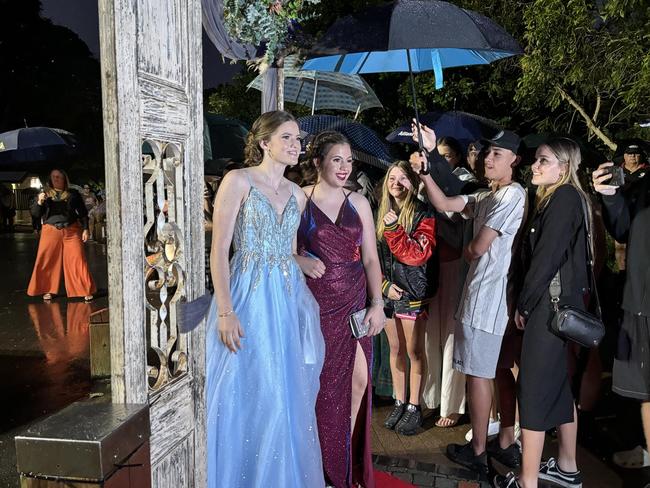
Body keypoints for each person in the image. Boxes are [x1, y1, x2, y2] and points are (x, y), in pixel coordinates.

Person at [205, 110, 326, 488]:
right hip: (247, 293)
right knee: (244, 387)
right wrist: (226, 311)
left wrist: (301, 260)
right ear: (264, 143)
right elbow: (219, 249)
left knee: (283, 391)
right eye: (287, 138)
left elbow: (288, 248)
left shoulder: (296, 194)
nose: (296, 145)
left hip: (287, 297)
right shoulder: (238, 180)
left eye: (298, 139)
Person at [412, 126, 526, 476]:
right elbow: (445, 203)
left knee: (479, 376)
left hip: (488, 302)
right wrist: (426, 170)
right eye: (487, 152)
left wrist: (468, 250)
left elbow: (477, 248)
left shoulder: (512, 195)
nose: (489, 159)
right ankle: (505, 442)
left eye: (498, 155)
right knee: (497, 372)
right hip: (482, 298)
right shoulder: (487, 195)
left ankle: (478, 450)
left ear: (515, 161)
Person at [495, 138, 592, 488]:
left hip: (549, 310)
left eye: (543, 161)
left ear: (563, 167)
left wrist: (523, 303)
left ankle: (527, 481)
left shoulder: (564, 198)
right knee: (559, 388)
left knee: (533, 391)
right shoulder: (558, 197)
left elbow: (546, 259)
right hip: (557, 307)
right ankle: (567, 467)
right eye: (536, 160)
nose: (534, 166)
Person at [297, 130, 385, 488]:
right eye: (337, 159)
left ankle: (341, 463)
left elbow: (371, 259)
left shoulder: (359, 202)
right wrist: (298, 259)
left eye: (349, 160)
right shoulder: (299, 199)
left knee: (360, 381)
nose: (346, 167)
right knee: (321, 388)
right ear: (318, 162)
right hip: (315, 305)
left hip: (354, 303)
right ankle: (320, 468)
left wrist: (377, 304)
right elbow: (281, 250)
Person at [592, 160, 650, 470]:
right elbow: (624, 228)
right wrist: (610, 195)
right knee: (644, 388)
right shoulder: (644, 183)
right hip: (640, 300)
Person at [376, 161, 437, 435]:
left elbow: (416, 255)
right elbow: (370, 256)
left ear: (412, 183)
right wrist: (383, 284)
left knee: (413, 352)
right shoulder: (381, 212)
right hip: (388, 294)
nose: (396, 182)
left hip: (413, 294)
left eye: (403, 177)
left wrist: (394, 230)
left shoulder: (424, 213)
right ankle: (399, 402)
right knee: (395, 350)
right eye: (392, 176)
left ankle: (415, 407)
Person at [27, 169, 95, 301]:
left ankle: (84, 289)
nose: (56, 179)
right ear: (50, 179)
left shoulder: (73, 194)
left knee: (78, 259)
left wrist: (86, 229)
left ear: (64, 179)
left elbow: (82, 213)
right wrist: (40, 202)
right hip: (50, 231)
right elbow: (35, 214)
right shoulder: (44, 194)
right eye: (53, 177)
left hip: (71, 230)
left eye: (59, 177)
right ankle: (48, 290)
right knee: (48, 260)